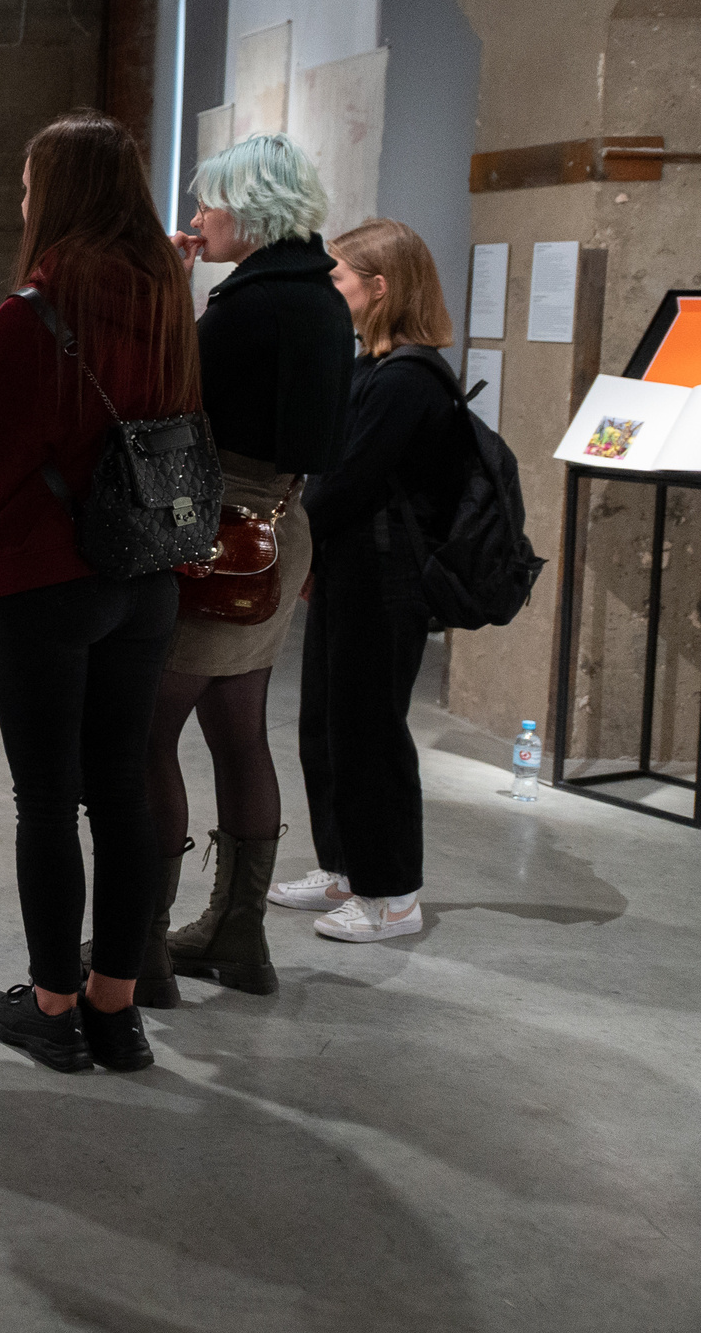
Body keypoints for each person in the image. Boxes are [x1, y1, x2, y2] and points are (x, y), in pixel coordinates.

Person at [0, 110, 201, 1075]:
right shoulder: (167, 306)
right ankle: (117, 1009)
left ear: (57, 196)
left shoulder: (31, 316)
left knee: (47, 801)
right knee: (124, 796)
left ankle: (52, 1005)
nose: (21, 200)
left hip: (49, 581)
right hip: (147, 580)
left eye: (27, 184)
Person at [137, 134, 354, 1001]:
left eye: (209, 203)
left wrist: (167, 290)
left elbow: (170, 392)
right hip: (278, 527)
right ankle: (239, 936)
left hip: (216, 535)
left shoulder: (249, 305)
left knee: (147, 735)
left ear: (251, 210)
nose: (196, 218)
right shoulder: (325, 300)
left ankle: (139, 947)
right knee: (239, 733)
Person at [293, 218, 466, 944]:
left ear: (379, 286)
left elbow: (352, 478)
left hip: (385, 578)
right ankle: (343, 865)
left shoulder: (408, 378)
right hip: (347, 567)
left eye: (339, 277)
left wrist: (294, 539)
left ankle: (392, 893)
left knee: (370, 733)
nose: (331, 289)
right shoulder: (370, 367)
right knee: (325, 724)